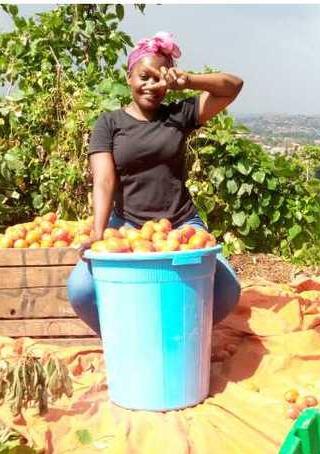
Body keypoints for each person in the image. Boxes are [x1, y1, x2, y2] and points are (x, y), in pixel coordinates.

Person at [67, 32, 244, 335]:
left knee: (227, 289)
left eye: (158, 79)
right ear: (129, 76)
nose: (151, 86)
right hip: (128, 225)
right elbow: (104, 180)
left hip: (181, 222)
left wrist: (188, 81)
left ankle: (179, 336)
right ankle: (127, 338)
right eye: (143, 77)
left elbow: (233, 86)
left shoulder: (179, 114)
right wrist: (98, 232)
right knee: (81, 289)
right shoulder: (109, 123)